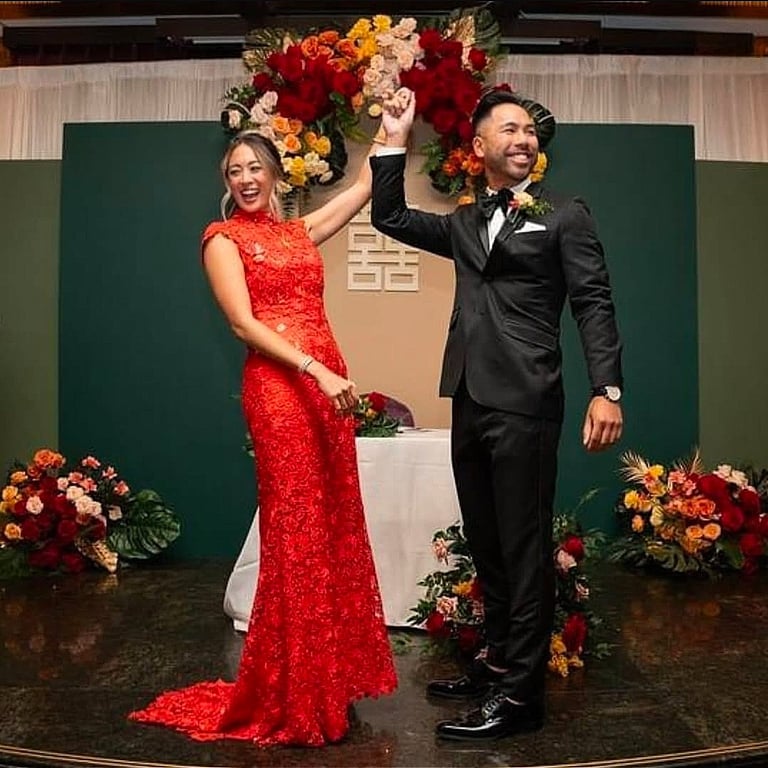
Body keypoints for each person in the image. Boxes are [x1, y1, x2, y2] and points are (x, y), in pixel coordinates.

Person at [129, 128, 397, 746]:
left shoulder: (296, 234)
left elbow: (361, 188)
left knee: (332, 525)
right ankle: (295, 694)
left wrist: (390, 140)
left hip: (329, 389)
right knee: (296, 532)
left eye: (255, 168)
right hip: (283, 390)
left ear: (276, 174)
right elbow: (243, 323)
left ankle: (323, 681)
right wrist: (317, 370)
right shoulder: (222, 239)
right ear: (227, 184)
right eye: (234, 171)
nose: (245, 179)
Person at [371, 87, 623, 740]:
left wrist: (608, 388)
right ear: (478, 147)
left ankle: (519, 701)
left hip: (527, 403)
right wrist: (394, 138)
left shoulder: (566, 215)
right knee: (489, 548)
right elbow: (391, 217)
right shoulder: (464, 222)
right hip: (470, 399)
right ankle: (497, 665)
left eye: (529, 132)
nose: (524, 138)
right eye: (507, 129)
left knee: (523, 547)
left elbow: (593, 301)